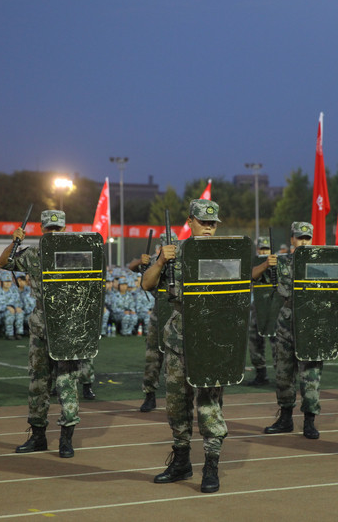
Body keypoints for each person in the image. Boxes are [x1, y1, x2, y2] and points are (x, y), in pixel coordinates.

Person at [142, 199, 227, 494]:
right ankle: (181, 462)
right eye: (203, 222)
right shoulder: (174, 252)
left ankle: (211, 466)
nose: (208, 227)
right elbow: (146, 284)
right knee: (177, 404)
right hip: (179, 339)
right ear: (190, 221)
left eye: (212, 223)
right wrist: (160, 261)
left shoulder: (225, 254)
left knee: (209, 405)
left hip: (212, 337)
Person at [0, 210, 85, 458]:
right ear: (42, 229)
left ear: (65, 229)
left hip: (67, 324)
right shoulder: (32, 254)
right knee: (38, 382)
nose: (54, 233)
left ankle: (66, 439)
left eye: (58, 229)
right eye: (50, 229)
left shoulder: (77, 255)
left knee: (67, 383)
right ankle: (38, 437)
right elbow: (3, 263)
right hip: (40, 322)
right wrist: (14, 242)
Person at [258, 222, 325, 439]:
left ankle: (309, 421)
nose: (303, 242)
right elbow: (252, 276)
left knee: (310, 374)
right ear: (292, 240)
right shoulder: (281, 262)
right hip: (286, 320)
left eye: (307, 238)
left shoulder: (322, 263)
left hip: (311, 321)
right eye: (299, 237)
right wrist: (266, 264)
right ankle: (285, 418)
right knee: (283, 372)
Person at [135, 232, 178, 412]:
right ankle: (149, 395)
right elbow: (135, 269)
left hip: (178, 313)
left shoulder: (184, 261)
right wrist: (142, 261)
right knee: (153, 357)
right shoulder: (155, 260)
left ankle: (177, 397)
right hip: (159, 315)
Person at [247, 236, 275, 386]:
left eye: (267, 249)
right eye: (262, 249)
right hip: (256, 307)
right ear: (257, 249)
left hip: (273, 307)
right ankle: (261, 374)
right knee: (254, 342)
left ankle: (283, 375)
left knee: (277, 342)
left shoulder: (279, 262)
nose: (264, 252)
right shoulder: (254, 263)